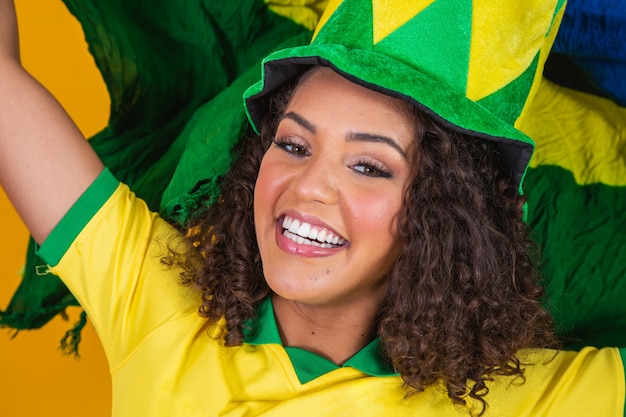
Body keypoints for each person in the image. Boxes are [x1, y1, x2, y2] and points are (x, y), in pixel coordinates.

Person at [1, 0, 624, 416]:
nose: (305, 188)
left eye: (368, 166)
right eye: (294, 144)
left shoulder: (521, 397)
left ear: (445, 217)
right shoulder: (160, 306)